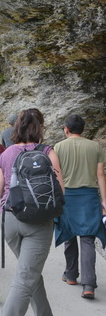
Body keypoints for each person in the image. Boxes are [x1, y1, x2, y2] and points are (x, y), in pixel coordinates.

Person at [0, 108, 65, 316]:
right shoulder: (48, 152)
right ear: (39, 128)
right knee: (25, 278)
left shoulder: (6, 154)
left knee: (30, 273)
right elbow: (60, 189)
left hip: (11, 222)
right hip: (39, 223)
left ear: (16, 128)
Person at [54, 113, 106, 299]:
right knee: (87, 238)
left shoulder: (58, 147)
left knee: (69, 235)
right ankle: (89, 284)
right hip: (89, 197)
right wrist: (104, 200)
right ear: (82, 129)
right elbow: (100, 174)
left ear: (66, 129)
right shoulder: (95, 146)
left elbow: (56, 175)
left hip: (68, 196)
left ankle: (70, 275)